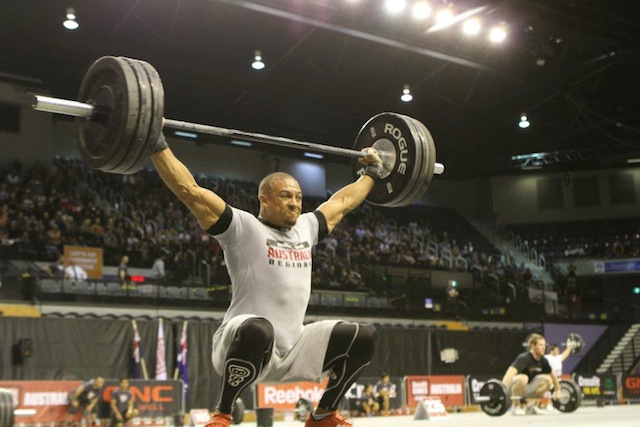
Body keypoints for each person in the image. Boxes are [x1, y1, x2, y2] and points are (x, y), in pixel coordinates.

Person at [150, 132, 384, 427]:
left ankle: (323, 414)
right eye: (286, 196)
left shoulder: (306, 228)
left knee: (364, 336)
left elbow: (343, 202)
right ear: (264, 198)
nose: (295, 203)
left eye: (298, 197)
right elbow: (190, 191)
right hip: (240, 343)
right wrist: (156, 143)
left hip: (292, 349)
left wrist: (373, 172)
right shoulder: (242, 227)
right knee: (260, 327)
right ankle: (223, 413)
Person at [502, 334, 561, 416]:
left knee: (548, 380)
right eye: (541, 345)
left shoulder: (543, 360)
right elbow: (509, 374)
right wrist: (502, 391)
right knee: (523, 377)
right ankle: (516, 406)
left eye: (544, 345)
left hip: (528, 388)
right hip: (515, 387)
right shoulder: (523, 358)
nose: (544, 347)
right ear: (532, 346)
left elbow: (553, 376)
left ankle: (531, 406)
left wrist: (558, 391)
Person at [539, 343, 573, 412]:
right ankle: (548, 404)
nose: (558, 351)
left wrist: (569, 348)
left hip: (558, 378)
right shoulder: (546, 357)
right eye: (556, 350)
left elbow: (565, 354)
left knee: (557, 392)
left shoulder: (559, 357)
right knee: (550, 391)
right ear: (552, 350)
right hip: (549, 378)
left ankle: (553, 405)